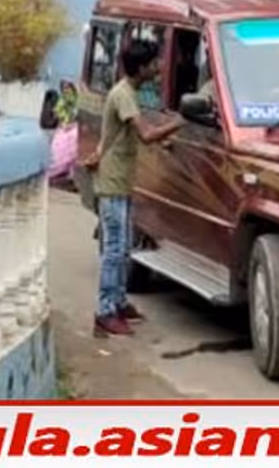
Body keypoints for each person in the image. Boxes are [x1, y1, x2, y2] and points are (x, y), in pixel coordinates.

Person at [80, 39, 185, 338]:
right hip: (112, 182)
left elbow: (131, 134)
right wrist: (179, 122)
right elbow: (146, 134)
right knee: (115, 250)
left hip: (120, 180)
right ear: (141, 68)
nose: (159, 67)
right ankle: (105, 312)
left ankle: (119, 302)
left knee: (124, 246)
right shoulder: (124, 94)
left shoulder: (129, 92)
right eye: (154, 63)